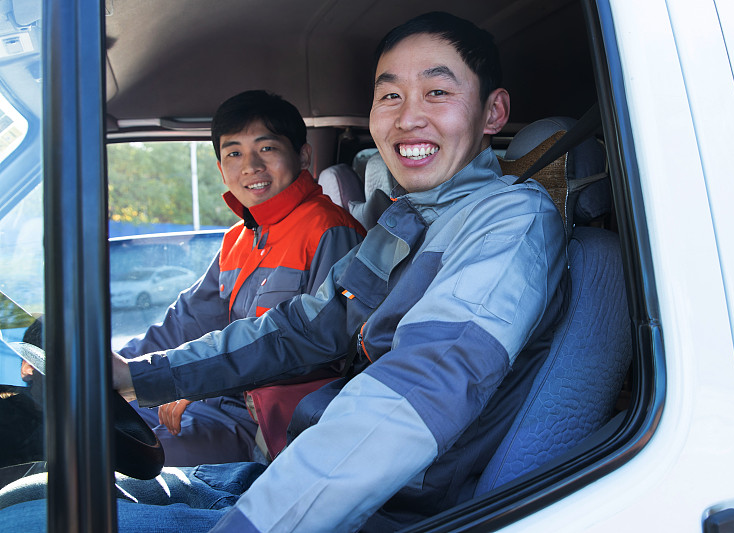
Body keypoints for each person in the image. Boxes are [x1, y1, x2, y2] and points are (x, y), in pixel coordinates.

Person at [0, 11, 568, 532]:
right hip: (297, 467)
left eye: (437, 92)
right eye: (390, 95)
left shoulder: (508, 221)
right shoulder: (406, 222)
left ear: (493, 112)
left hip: (379, 507)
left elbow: (417, 392)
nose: (408, 116)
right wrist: (137, 376)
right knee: (34, 496)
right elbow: (300, 327)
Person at [118, 90, 366, 465]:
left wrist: (190, 382)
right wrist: (116, 365)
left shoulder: (329, 230)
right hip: (220, 401)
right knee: (102, 422)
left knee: (128, 461)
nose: (250, 166)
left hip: (272, 424)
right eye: (234, 153)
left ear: (303, 156)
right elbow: (186, 322)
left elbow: (319, 345)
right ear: (221, 169)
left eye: (266, 148)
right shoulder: (238, 237)